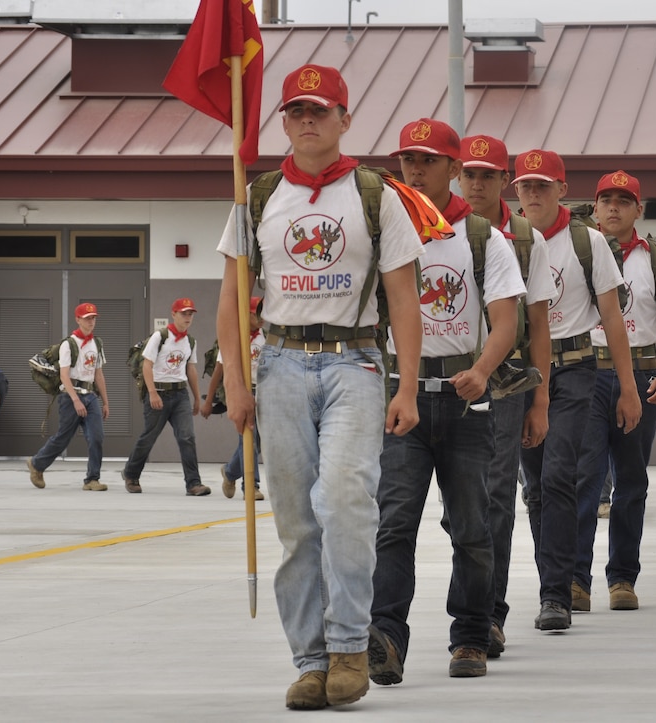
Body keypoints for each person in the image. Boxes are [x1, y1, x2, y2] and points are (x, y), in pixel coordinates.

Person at [215, 64, 423, 711]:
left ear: (344, 119)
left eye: (321, 110)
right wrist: (236, 383)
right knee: (296, 518)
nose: (308, 120)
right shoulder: (255, 197)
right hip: (277, 362)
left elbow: (405, 297)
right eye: (296, 110)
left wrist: (408, 385)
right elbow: (230, 300)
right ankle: (309, 659)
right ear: (282, 120)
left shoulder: (376, 195)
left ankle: (349, 642)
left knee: (344, 502)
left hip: (354, 363)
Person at [367, 120, 525, 683]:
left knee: (472, 528)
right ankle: (385, 638)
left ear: (453, 169)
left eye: (429, 160)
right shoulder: (382, 227)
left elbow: (506, 321)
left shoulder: (483, 237)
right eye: (408, 158)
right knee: (394, 524)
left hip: (464, 402)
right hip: (399, 399)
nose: (414, 169)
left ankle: (470, 637)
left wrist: (483, 371)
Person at [513, 149, 641, 629]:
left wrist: (628, 388)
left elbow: (613, 318)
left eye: (543, 185)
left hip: (574, 367)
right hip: (519, 371)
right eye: (526, 185)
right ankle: (554, 578)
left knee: (559, 474)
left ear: (562, 189)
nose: (534, 194)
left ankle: (557, 595)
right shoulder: (508, 238)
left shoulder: (587, 242)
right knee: (535, 489)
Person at [457, 133, 554, 657]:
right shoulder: (425, 228)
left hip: (504, 382)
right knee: (457, 506)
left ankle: (488, 614)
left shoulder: (523, 239)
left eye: (487, 175)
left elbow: (538, 323)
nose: (476, 183)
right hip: (438, 380)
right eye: (469, 174)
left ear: (503, 181)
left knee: (495, 498)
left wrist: (539, 400)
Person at [574, 171, 656, 610]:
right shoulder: (577, 250)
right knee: (583, 479)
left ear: (639, 209)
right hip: (585, 372)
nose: (614, 208)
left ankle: (622, 578)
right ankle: (575, 581)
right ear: (596, 206)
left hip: (640, 376)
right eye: (607, 200)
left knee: (631, 480)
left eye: (625, 200)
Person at [121, 298, 208, 496]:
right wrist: (152, 392)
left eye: (190, 314)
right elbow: (147, 365)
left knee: (187, 437)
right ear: (174, 314)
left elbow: (191, 369)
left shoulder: (190, 341)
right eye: (184, 313)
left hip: (180, 395)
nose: (187, 317)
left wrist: (196, 398)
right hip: (158, 393)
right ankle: (131, 473)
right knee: (149, 437)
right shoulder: (160, 336)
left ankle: (193, 483)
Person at [27, 303, 110, 491]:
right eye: (87, 318)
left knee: (97, 437)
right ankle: (36, 464)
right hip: (70, 396)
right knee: (63, 438)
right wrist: (75, 399)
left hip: (90, 396)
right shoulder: (69, 344)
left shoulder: (97, 343)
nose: (91, 321)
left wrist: (105, 401)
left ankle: (92, 479)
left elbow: (98, 374)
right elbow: (64, 375)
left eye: (93, 318)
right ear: (78, 319)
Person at [202, 296, 264, 501]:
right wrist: (208, 401)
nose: (262, 317)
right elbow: (219, 372)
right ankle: (251, 486)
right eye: (257, 312)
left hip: (264, 393)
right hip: (243, 393)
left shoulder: (268, 337)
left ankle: (229, 473)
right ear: (246, 314)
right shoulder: (234, 338)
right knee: (248, 441)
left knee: (257, 443)